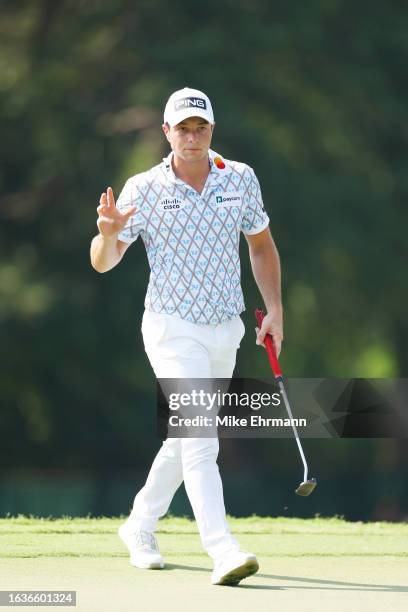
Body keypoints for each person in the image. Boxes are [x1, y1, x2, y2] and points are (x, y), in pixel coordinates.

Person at [90, 87, 283, 586]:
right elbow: (104, 262)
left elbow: (260, 246)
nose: (191, 137)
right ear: (166, 133)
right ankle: (223, 549)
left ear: (212, 131)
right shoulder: (144, 188)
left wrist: (276, 309)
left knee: (184, 438)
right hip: (171, 328)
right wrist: (108, 233)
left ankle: (140, 524)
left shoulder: (239, 179)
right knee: (201, 438)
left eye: (200, 128)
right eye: (182, 129)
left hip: (227, 329)